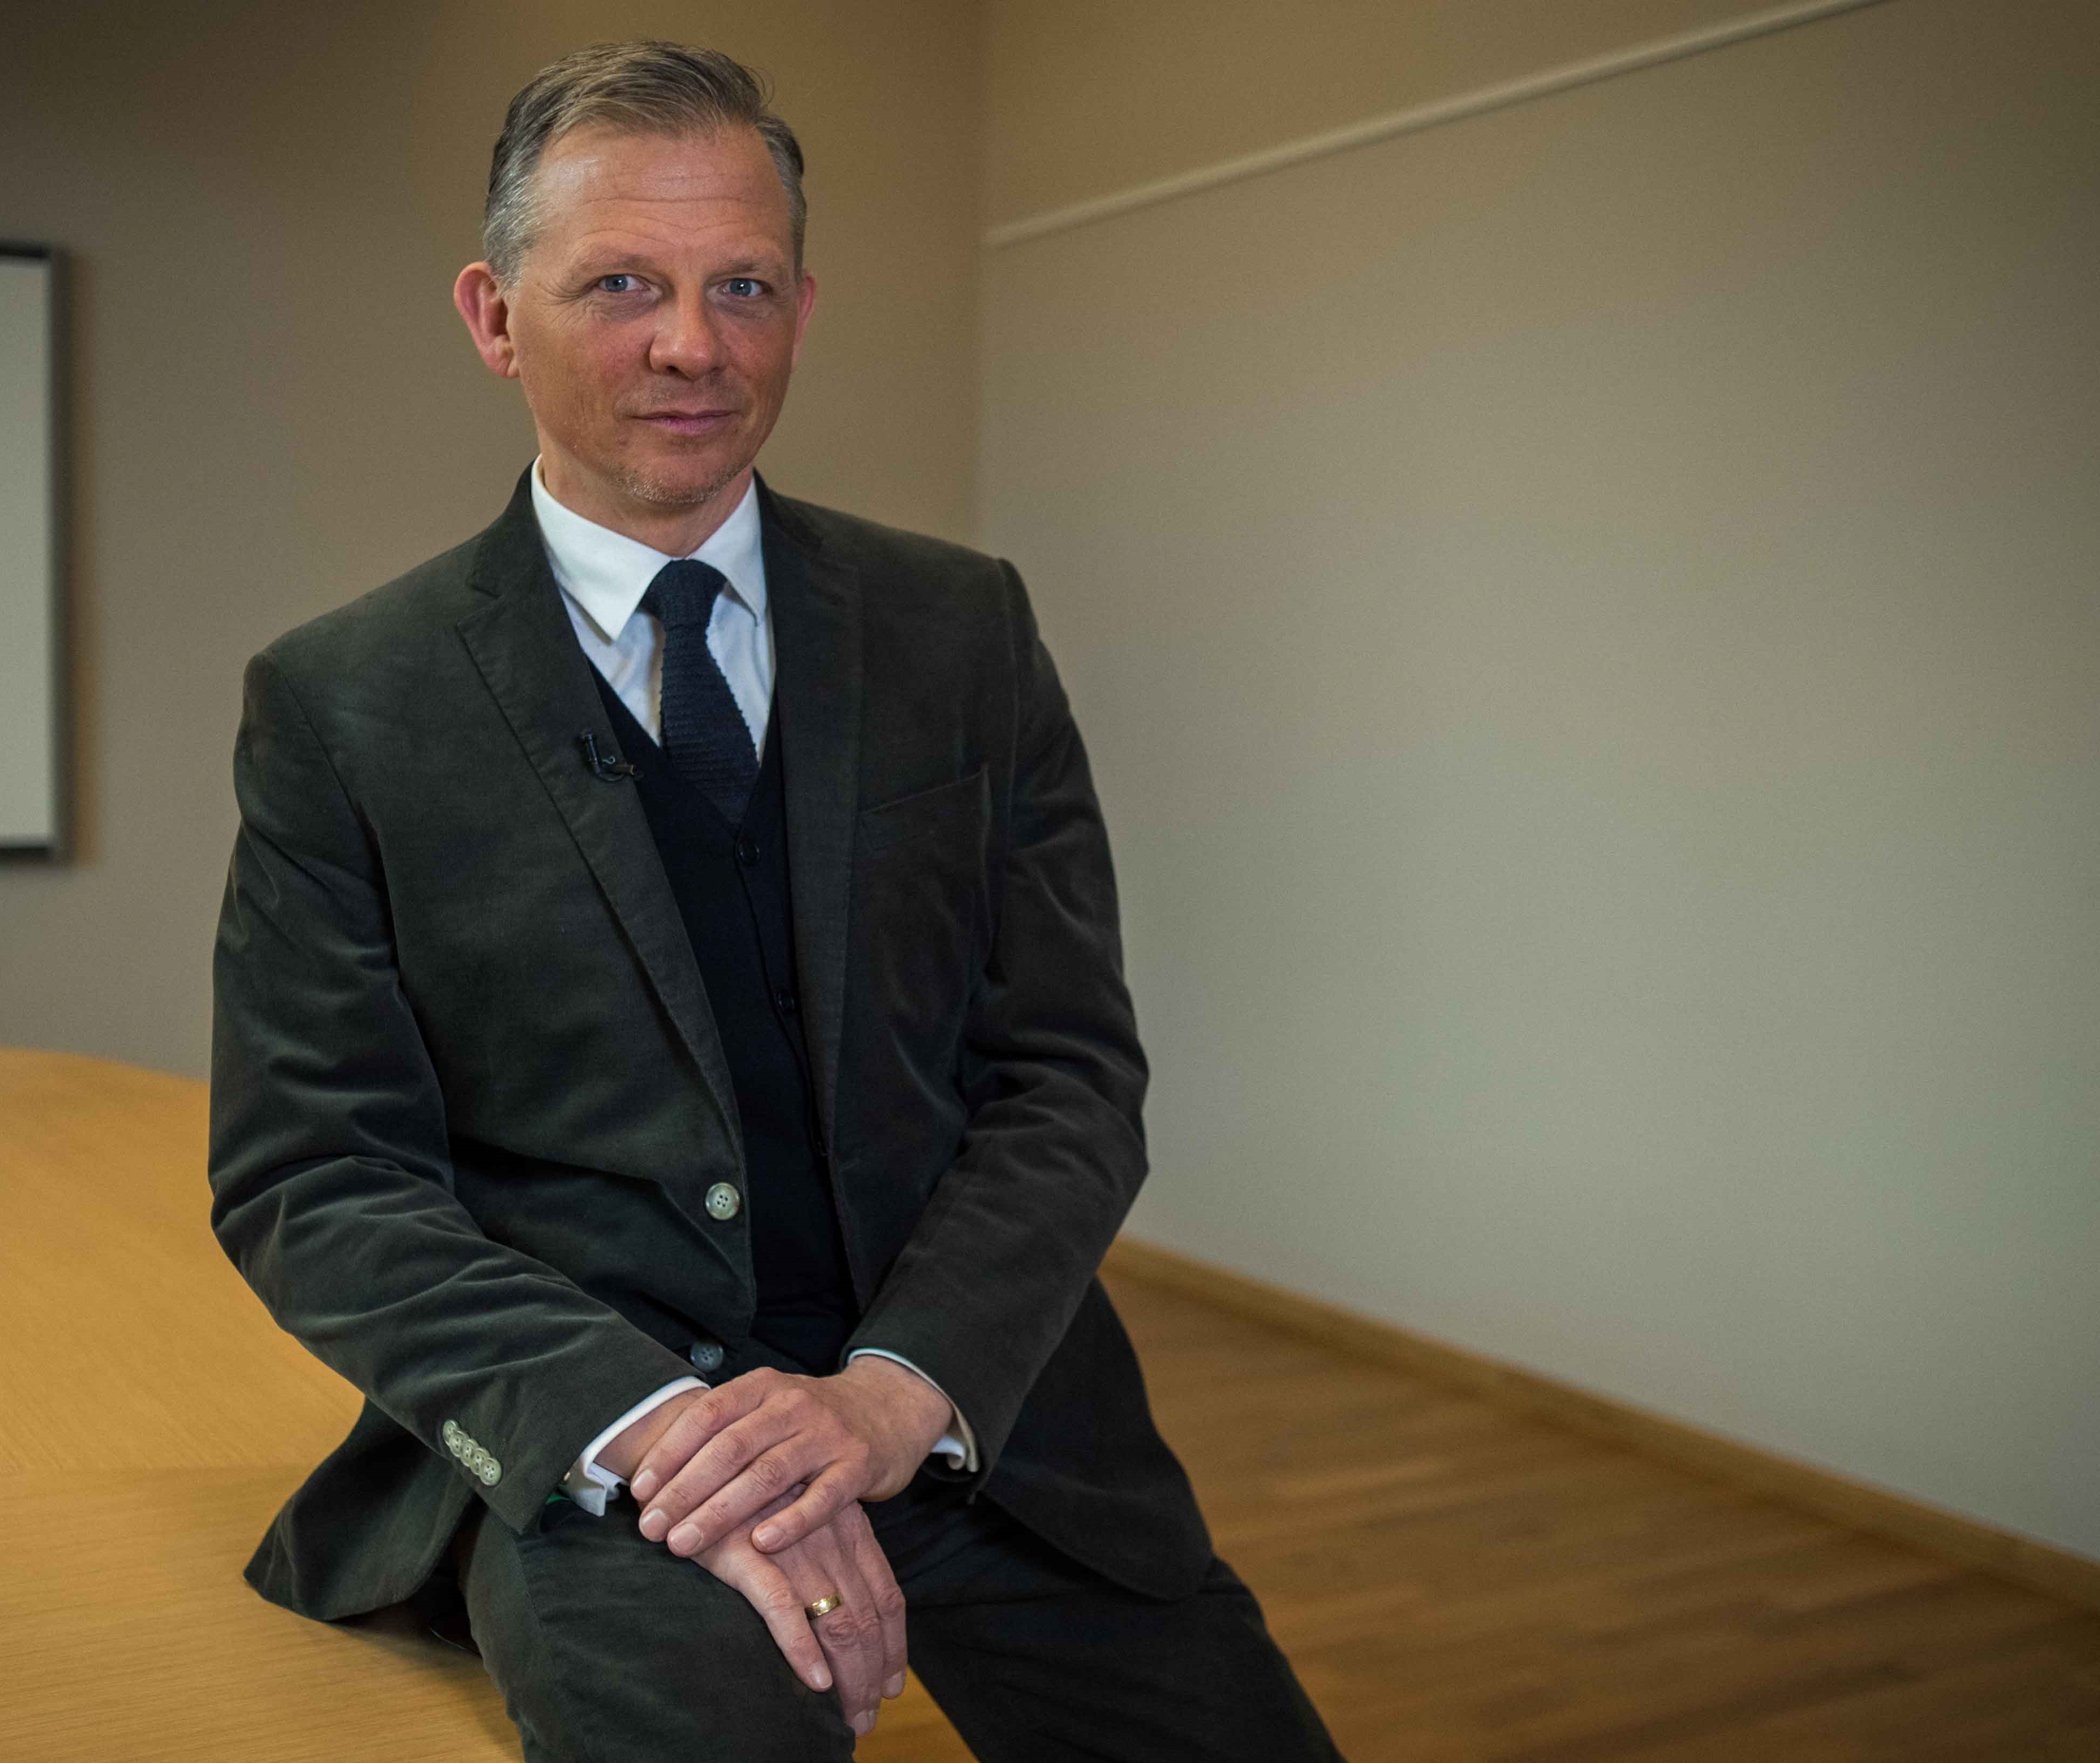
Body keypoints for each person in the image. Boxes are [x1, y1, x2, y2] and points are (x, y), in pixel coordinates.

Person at [208, 40, 1342, 1762]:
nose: (694, 344)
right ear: (494, 317)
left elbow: (1066, 1075)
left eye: (741, 284)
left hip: (969, 1410)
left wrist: (896, 1393)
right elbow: (317, 1175)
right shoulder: (343, 704)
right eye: (622, 286)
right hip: (616, 1459)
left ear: (802, 308)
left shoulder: (962, 629)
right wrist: (661, 1432)